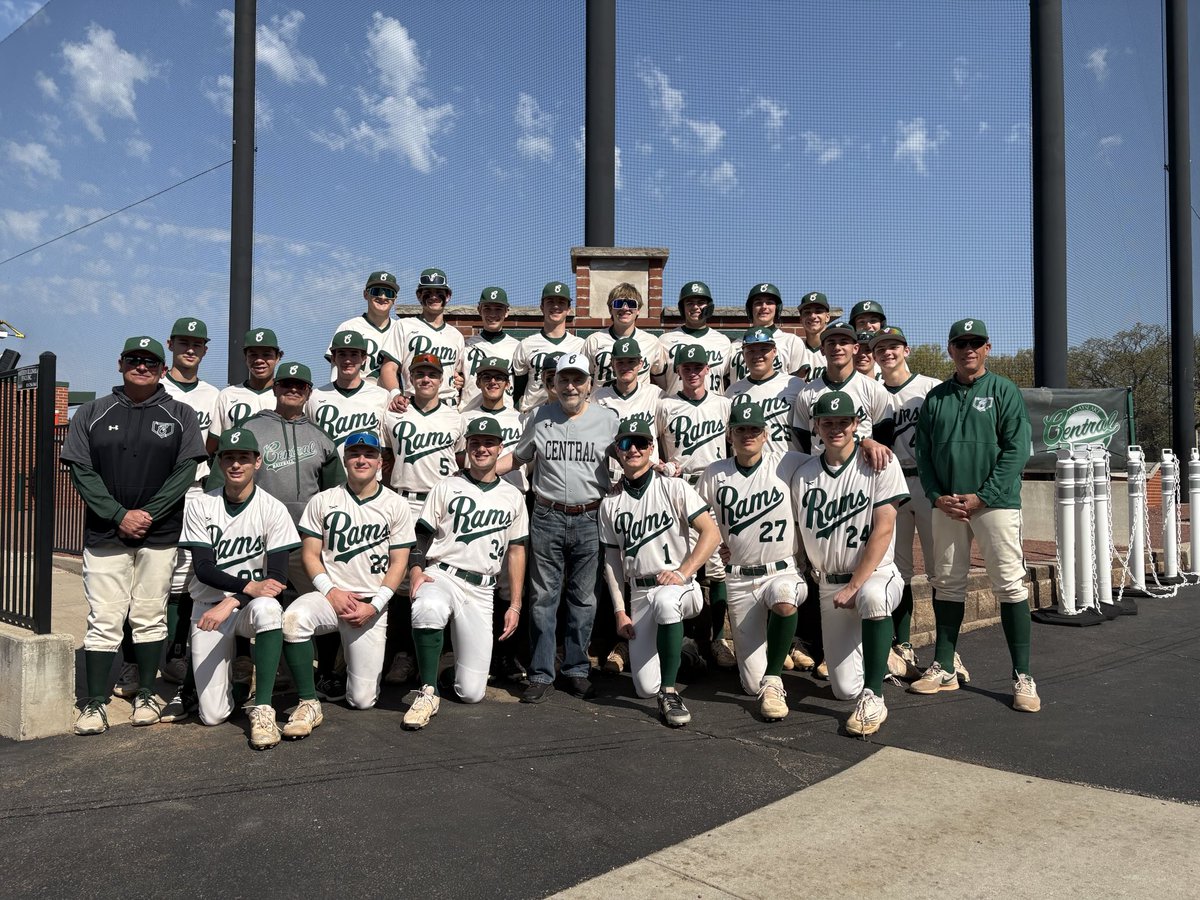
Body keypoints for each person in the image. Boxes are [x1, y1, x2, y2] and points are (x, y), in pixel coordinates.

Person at [62, 336, 206, 735]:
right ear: (120, 363)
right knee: (105, 618)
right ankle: (93, 704)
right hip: (105, 535)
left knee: (148, 615)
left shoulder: (181, 414)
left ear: (163, 369)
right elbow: (81, 470)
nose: (141, 366)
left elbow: (185, 472)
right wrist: (118, 515)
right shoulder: (92, 412)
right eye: (133, 359)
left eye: (150, 361)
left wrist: (148, 514)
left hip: (159, 535)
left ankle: (145, 693)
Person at [911, 318, 1039, 712]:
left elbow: (1016, 450)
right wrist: (935, 496)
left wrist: (982, 497)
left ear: (987, 347)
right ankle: (944, 666)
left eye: (975, 342)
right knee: (947, 582)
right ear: (950, 349)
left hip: (994, 504)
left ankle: (1022, 676)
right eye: (960, 343)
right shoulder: (936, 397)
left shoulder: (1004, 390)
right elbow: (925, 456)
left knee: (1010, 585)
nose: (968, 349)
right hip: (948, 504)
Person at [501, 352, 619, 703]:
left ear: (589, 385)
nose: (570, 386)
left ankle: (577, 670)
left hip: (589, 516)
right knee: (543, 598)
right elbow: (519, 458)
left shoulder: (607, 420)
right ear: (553, 383)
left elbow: (629, 458)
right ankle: (540, 673)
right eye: (563, 379)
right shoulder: (539, 417)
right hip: (547, 514)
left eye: (577, 379)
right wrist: (482, 470)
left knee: (583, 600)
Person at [281, 432, 414, 736]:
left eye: (369, 454)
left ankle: (344, 674)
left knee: (362, 700)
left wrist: (375, 606)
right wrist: (331, 591)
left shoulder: (395, 504)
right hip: (331, 596)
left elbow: (399, 564)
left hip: (371, 604)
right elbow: (310, 556)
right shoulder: (324, 500)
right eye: (355, 454)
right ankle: (308, 699)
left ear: (381, 462)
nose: (361, 460)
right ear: (345, 460)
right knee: (293, 619)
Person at [792, 391, 909, 737]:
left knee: (872, 599)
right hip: (830, 582)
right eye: (827, 422)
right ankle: (880, 657)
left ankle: (875, 695)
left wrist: (855, 585)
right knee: (843, 689)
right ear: (815, 426)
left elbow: (884, 528)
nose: (835, 428)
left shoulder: (880, 463)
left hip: (876, 574)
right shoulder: (804, 474)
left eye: (843, 421)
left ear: (857, 424)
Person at [177, 427, 300, 750]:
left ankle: (263, 707)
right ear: (219, 463)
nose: (236, 465)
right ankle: (234, 686)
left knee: (270, 608)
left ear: (257, 462)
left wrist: (232, 600)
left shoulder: (273, 508)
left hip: (246, 607)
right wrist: (244, 589)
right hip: (209, 609)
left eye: (243, 458)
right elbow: (203, 569)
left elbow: (276, 580)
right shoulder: (201, 505)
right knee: (212, 715)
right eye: (228, 458)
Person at [402, 417, 528, 730]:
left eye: (488, 443)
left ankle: (447, 671)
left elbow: (516, 551)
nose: (481, 449)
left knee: (471, 693)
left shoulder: (513, 496)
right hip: (444, 575)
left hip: (483, 589)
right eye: (475, 443)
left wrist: (514, 604)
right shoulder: (446, 486)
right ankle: (427, 691)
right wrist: (416, 570)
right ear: (466, 447)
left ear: (500, 448)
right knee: (427, 607)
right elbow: (421, 535)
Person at [599, 418, 721, 727]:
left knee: (667, 601)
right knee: (643, 688)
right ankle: (684, 655)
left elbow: (710, 533)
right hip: (640, 593)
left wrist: (684, 571)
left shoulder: (673, 486)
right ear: (618, 450)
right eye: (626, 444)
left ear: (652, 448)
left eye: (641, 443)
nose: (634, 449)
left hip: (681, 587)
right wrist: (619, 611)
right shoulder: (610, 502)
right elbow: (612, 562)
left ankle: (670, 692)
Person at [698, 402, 809, 720]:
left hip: (782, 571)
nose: (748, 434)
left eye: (754, 429)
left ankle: (775, 679)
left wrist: (867, 443)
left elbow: (832, 461)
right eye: (741, 429)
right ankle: (774, 657)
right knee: (749, 684)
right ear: (729, 434)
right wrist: (716, 540)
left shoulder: (787, 462)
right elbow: (692, 514)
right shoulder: (715, 473)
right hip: (739, 578)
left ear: (766, 433)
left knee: (785, 598)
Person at [382, 352, 466, 685]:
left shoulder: (455, 418)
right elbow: (387, 460)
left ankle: (442, 653)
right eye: (419, 373)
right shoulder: (392, 416)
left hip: (442, 505)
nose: (426, 379)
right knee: (403, 583)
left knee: (440, 575)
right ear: (409, 378)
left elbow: (460, 462)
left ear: (441, 379)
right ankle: (404, 654)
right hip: (405, 503)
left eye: (431, 374)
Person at [654, 343, 733, 670]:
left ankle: (716, 641)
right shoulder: (666, 405)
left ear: (708, 369)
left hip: (714, 487)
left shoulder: (723, 404)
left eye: (698, 367)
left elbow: (733, 444)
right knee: (679, 563)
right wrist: (665, 467)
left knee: (716, 569)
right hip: (679, 490)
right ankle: (685, 641)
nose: (693, 372)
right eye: (686, 367)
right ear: (678, 371)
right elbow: (655, 446)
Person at [872, 326, 941, 680]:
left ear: (906, 350)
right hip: (892, 484)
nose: (887, 352)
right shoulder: (873, 391)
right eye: (880, 347)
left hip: (926, 482)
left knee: (939, 571)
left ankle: (947, 652)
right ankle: (904, 644)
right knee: (897, 571)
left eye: (893, 346)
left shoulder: (929, 387)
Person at [156, 317, 220, 686]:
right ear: (171, 345)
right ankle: (138, 657)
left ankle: (177, 652)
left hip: (196, 491)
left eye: (197, 344)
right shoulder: (156, 387)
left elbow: (213, 449)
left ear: (205, 349)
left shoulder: (213, 395)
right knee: (151, 579)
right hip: (158, 492)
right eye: (183, 342)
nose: (190, 349)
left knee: (187, 577)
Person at [457, 357, 529, 682]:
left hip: (512, 501)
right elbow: (460, 458)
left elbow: (527, 457)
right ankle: (482, 657)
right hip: (475, 506)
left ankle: (508, 656)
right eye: (486, 376)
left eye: (498, 376)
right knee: (479, 578)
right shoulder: (466, 417)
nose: (492, 382)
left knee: (510, 582)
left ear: (508, 382)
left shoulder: (520, 418)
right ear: (478, 380)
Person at [792, 322, 894, 464]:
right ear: (822, 349)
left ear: (855, 348)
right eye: (831, 343)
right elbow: (802, 439)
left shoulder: (874, 389)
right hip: (819, 472)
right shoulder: (807, 393)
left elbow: (883, 438)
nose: (837, 348)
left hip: (862, 469)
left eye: (844, 342)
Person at [379, 267, 465, 407]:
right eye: (428, 292)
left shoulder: (456, 335)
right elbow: (389, 368)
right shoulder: (403, 326)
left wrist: (459, 379)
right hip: (413, 404)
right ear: (419, 296)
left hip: (448, 406)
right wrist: (395, 394)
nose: (433, 296)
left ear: (448, 296)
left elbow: (458, 374)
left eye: (439, 292)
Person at [725, 326, 806, 459]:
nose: (757, 355)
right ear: (743, 353)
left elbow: (806, 433)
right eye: (751, 350)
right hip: (748, 468)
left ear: (774, 351)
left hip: (789, 466)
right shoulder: (732, 392)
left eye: (764, 349)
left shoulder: (795, 385)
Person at [307, 330, 391, 448]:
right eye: (342, 354)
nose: (347, 360)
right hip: (327, 466)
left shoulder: (381, 396)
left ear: (364, 358)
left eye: (354, 354)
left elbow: (387, 445)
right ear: (333, 358)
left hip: (366, 465)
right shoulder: (315, 396)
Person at [511, 281, 585, 413]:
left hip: (569, 413)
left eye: (561, 302)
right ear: (541, 307)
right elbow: (518, 391)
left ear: (569, 309)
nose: (556, 306)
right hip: (532, 414)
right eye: (550, 301)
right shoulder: (526, 345)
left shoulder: (580, 345)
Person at [207, 327, 283, 454]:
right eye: (253, 354)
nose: (259, 360)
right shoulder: (227, 394)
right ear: (245, 357)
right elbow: (215, 440)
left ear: (278, 357)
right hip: (236, 468)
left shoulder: (287, 396)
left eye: (266, 354)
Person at [582, 282, 667, 387]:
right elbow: (583, 381)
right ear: (610, 309)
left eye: (631, 304)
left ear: (638, 310)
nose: (625, 308)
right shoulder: (594, 340)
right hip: (601, 402)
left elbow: (662, 384)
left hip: (639, 403)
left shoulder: (652, 342)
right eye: (618, 304)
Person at [656, 280, 732, 396]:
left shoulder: (723, 342)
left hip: (714, 409)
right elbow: (658, 381)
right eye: (690, 303)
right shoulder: (665, 340)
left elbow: (729, 381)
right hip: (676, 408)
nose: (695, 307)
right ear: (682, 308)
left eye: (701, 302)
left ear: (709, 307)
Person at [325, 271, 400, 384]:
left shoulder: (400, 328)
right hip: (357, 397)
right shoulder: (349, 327)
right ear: (365, 294)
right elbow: (336, 370)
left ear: (395, 299)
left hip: (392, 398)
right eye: (376, 291)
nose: (382, 297)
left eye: (389, 293)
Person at [728, 283, 805, 382]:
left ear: (777, 308)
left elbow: (797, 384)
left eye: (769, 302)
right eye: (758, 303)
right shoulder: (735, 346)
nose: (764, 307)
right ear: (750, 309)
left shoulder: (792, 341)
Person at [461, 286, 521, 410]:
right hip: (469, 413)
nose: (492, 314)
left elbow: (521, 387)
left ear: (507, 312)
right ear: (479, 310)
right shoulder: (466, 346)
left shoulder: (517, 347)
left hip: (505, 415)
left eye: (498, 309)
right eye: (487, 308)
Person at [796, 291, 832, 381]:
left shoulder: (836, 350)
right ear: (801, 319)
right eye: (807, 312)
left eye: (818, 311)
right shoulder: (794, 349)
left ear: (827, 317)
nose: (812, 316)